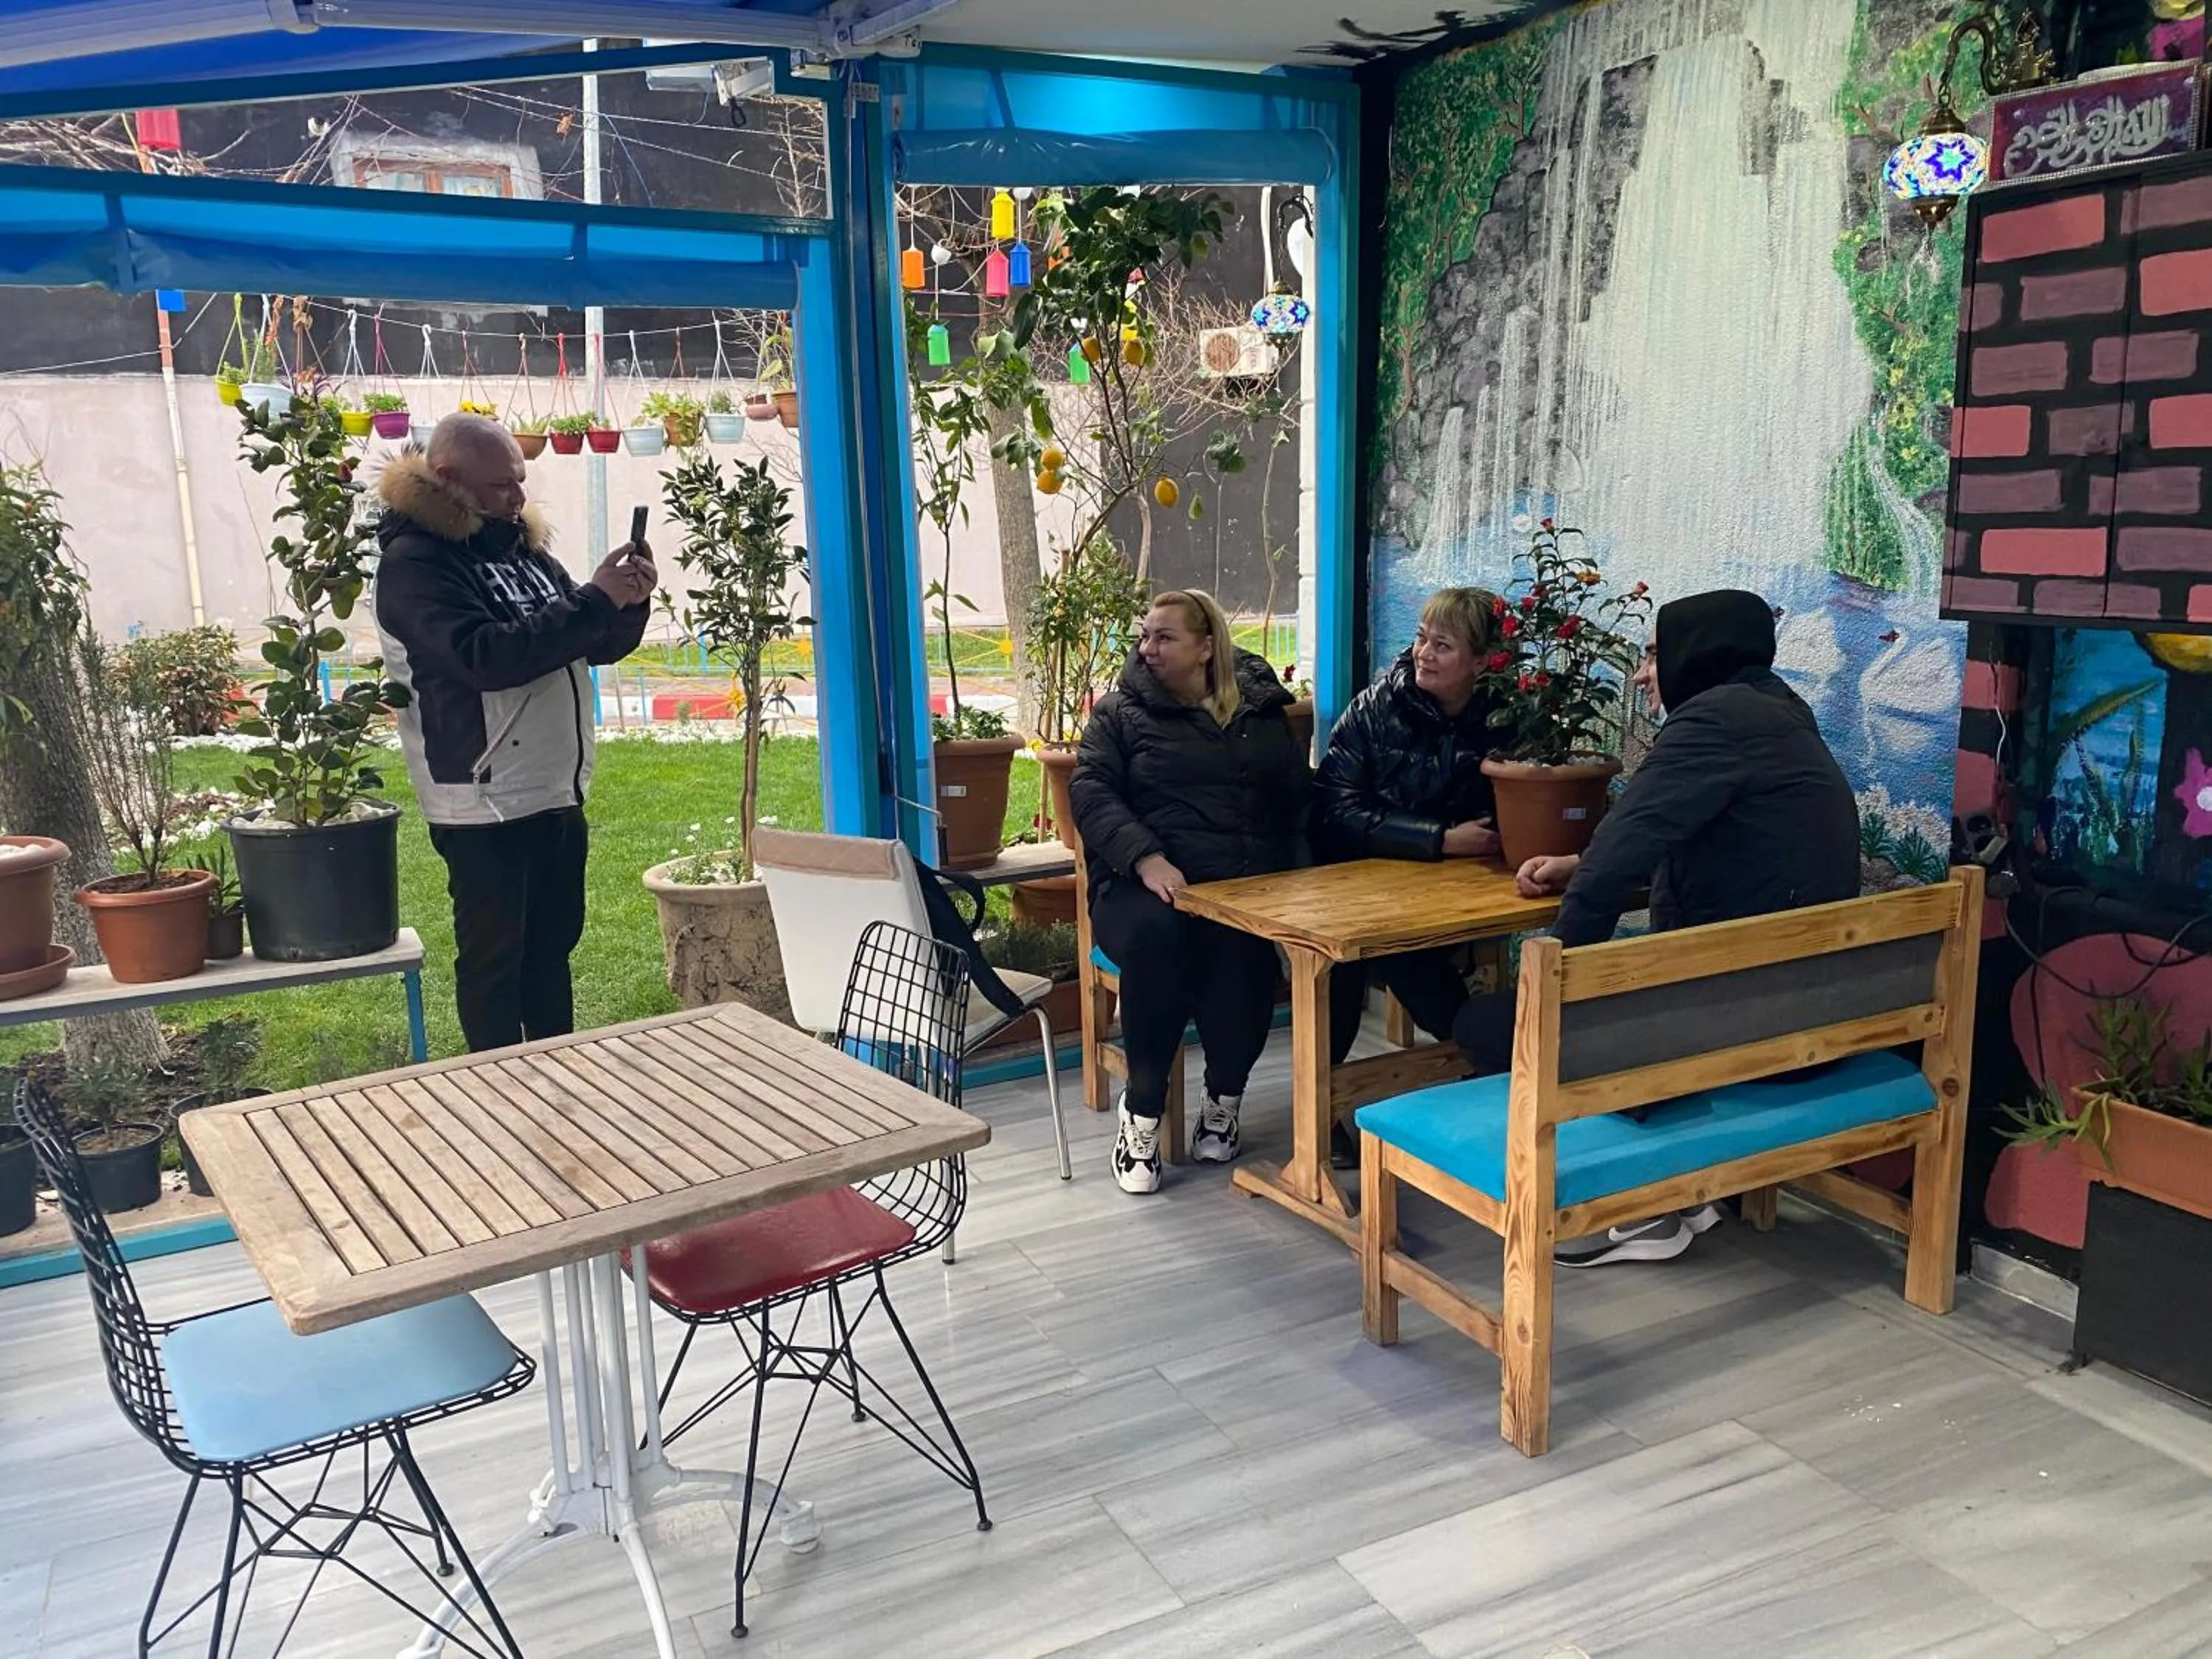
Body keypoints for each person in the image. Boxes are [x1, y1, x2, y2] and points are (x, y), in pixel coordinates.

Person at [1453, 588, 1860, 1265]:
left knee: (1489, 1026)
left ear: (1694, 655)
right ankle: (1680, 1188)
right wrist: (1578, 862)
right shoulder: (1780, 712)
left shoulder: (1711, 722)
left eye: (1651, 655)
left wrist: (1558, 996)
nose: (1644, 673)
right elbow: (1710, 844)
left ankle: (1648, 1202)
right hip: (1815, 1006)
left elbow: (1616, 865)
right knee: (1586, 1009)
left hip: (1755, 1021)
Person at [373, 414, 658, 1052]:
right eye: (503, 485)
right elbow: (486, 658)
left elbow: (586, 643)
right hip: (480, 799)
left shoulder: (521, 548)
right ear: (448, 479)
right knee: (495, 961)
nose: (518, 498)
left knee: (552, 948)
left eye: (521, 481)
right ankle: (498, 1091)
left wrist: (625, 601)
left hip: (554, 786)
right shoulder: (414, 565)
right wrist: (593, 600)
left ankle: (555, 1073)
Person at [1071, 589, 1312, 1194]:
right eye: (1145, 636)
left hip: (1239, 886)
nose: (1147, 648)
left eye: (1164, 637)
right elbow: (1091, 793)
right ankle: (1142, 1114)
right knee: (1164, 937)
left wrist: (1303, 880)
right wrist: (1145, 856)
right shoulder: (1119, 713)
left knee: (1245, 949)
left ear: (1206, 648)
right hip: (1138, 888)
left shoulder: (1258, 713)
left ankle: (1224, 1100)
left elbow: (1295, 801)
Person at [1311, 586, 1504, 1165]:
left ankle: (1490, 1076)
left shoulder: (1505, 715)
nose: (1423, 653)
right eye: (1421, 638)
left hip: (1443, 883)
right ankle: (1320, 1116)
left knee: (1414, 958)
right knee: (1344, 964)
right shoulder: (1376, 708)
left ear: (1481, 661)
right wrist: (1440, 840)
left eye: (1442, 645)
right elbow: (1335, 809)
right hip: (1349, 875)